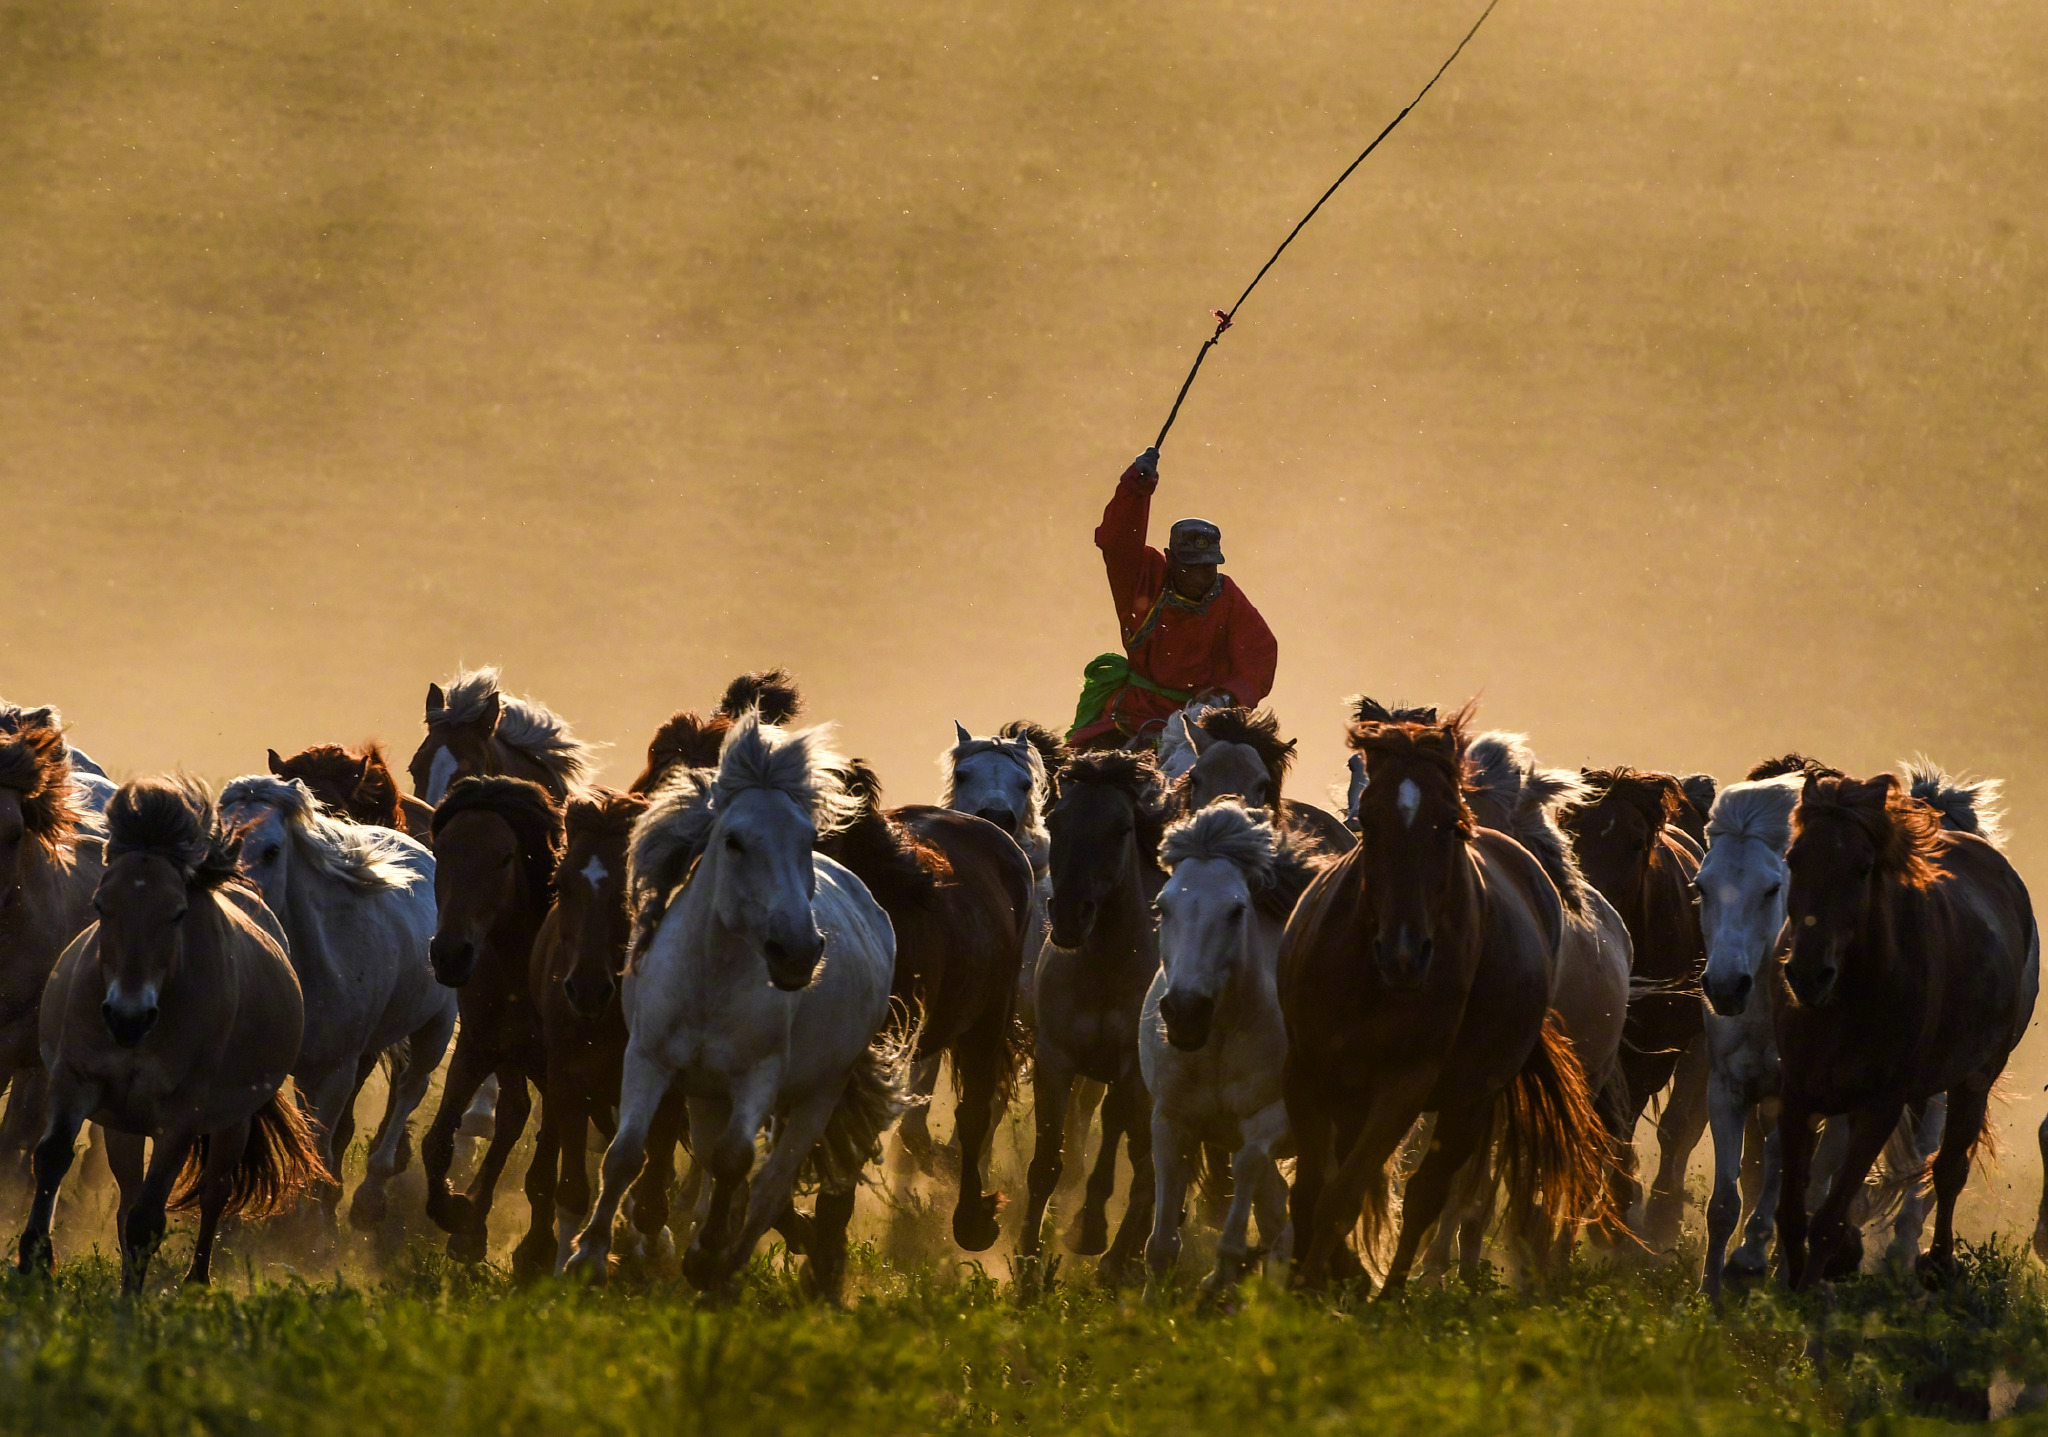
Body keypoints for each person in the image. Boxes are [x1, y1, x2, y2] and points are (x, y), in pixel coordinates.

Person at [1067, 446, 1277, 749]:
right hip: (1132, 715)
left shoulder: (1227, 597)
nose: (1201, 575)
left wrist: (1226, 696)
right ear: (1171, 559)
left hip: (1200, 723)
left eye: (1208, 566)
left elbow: (1260, 653)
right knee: (1081, 777)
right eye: (1192, 566)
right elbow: (1117, 541)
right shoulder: (1144, 576)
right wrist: (1135, 489)